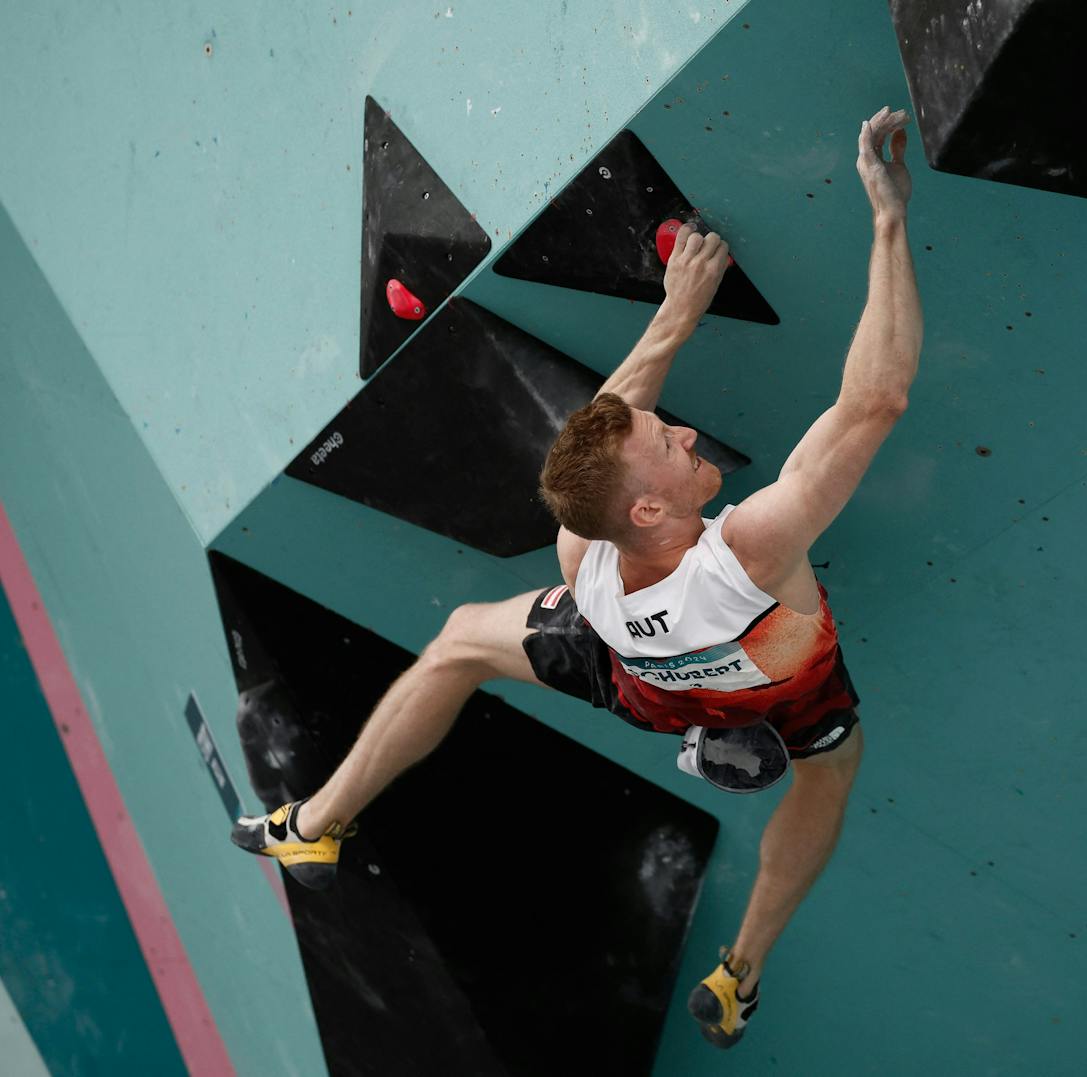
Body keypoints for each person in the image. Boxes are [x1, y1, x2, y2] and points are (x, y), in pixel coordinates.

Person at [232, 104, 921, 1049]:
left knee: (463, 640)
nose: (686, 431)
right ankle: (742, 967)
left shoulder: (585, 551)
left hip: (633, 677)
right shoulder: (754, 544)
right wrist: (887, 219)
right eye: (673, 446)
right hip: (781, 685)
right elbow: (873, 398)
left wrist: (675, 315)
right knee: (831, 771)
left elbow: (607, 421)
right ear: (648, 510)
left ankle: (317, 822)